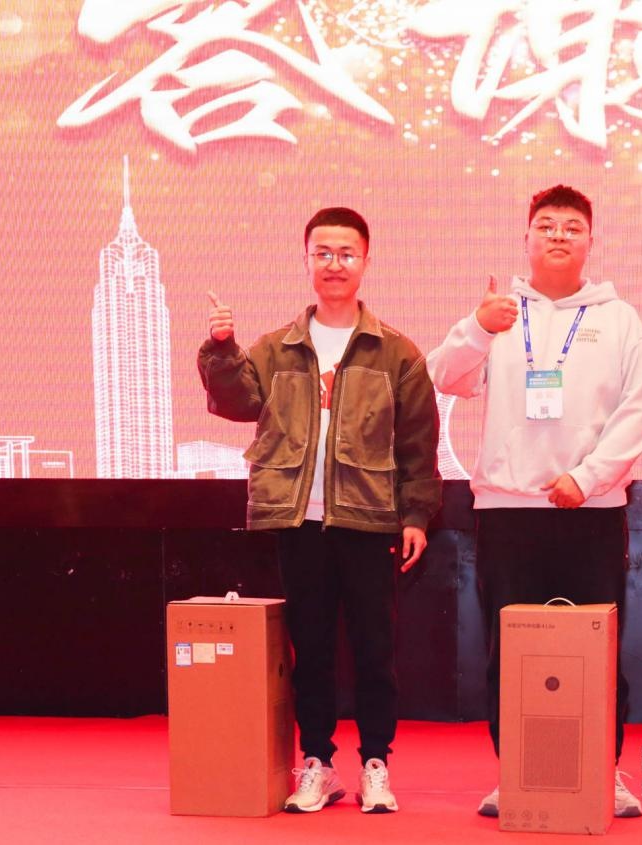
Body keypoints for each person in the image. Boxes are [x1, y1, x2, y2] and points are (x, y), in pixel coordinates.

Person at [198, 207, 441, 816]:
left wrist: (416, 515)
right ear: (306, 260)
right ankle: (318, 763)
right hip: (298, 519)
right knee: (309, 648)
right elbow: (236, 403)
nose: (335, 264)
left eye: (346, 253)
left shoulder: (397, 353)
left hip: (370, 520)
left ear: (365, 261)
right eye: (323, 253)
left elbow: (418, 445)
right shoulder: (276, 347)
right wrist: (221, 350)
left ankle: (376, 763)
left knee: (374, 649)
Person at [428, 185, 642, 819]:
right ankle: (518, 771)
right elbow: (444, 376)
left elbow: (641, 410)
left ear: (591, 241)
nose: (559, 235)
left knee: (598, 649)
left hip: (592, 510)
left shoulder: (619, 318)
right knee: (512, 651)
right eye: (547, 225)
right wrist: (479, 328)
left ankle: (604, 771)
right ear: (526, 238)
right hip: (507, 511)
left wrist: (587, 478)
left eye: (572, 227)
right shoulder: (499, 313)